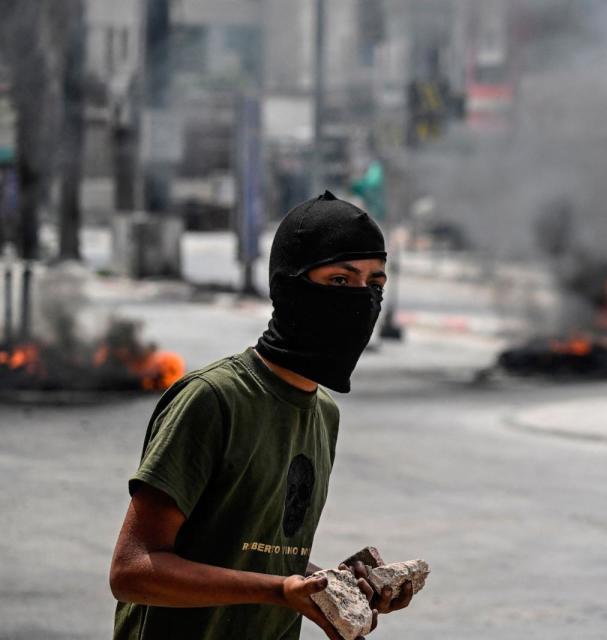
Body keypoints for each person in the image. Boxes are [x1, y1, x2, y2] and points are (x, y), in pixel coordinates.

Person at [110, 191, 414, 640]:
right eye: (340, 281)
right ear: (290, 286)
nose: (362, 300)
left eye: (375, 285)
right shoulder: (213, 399)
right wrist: (279, 590)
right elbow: (132, 571)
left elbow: (259, 556)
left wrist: (330, 587)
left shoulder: (323, 414)